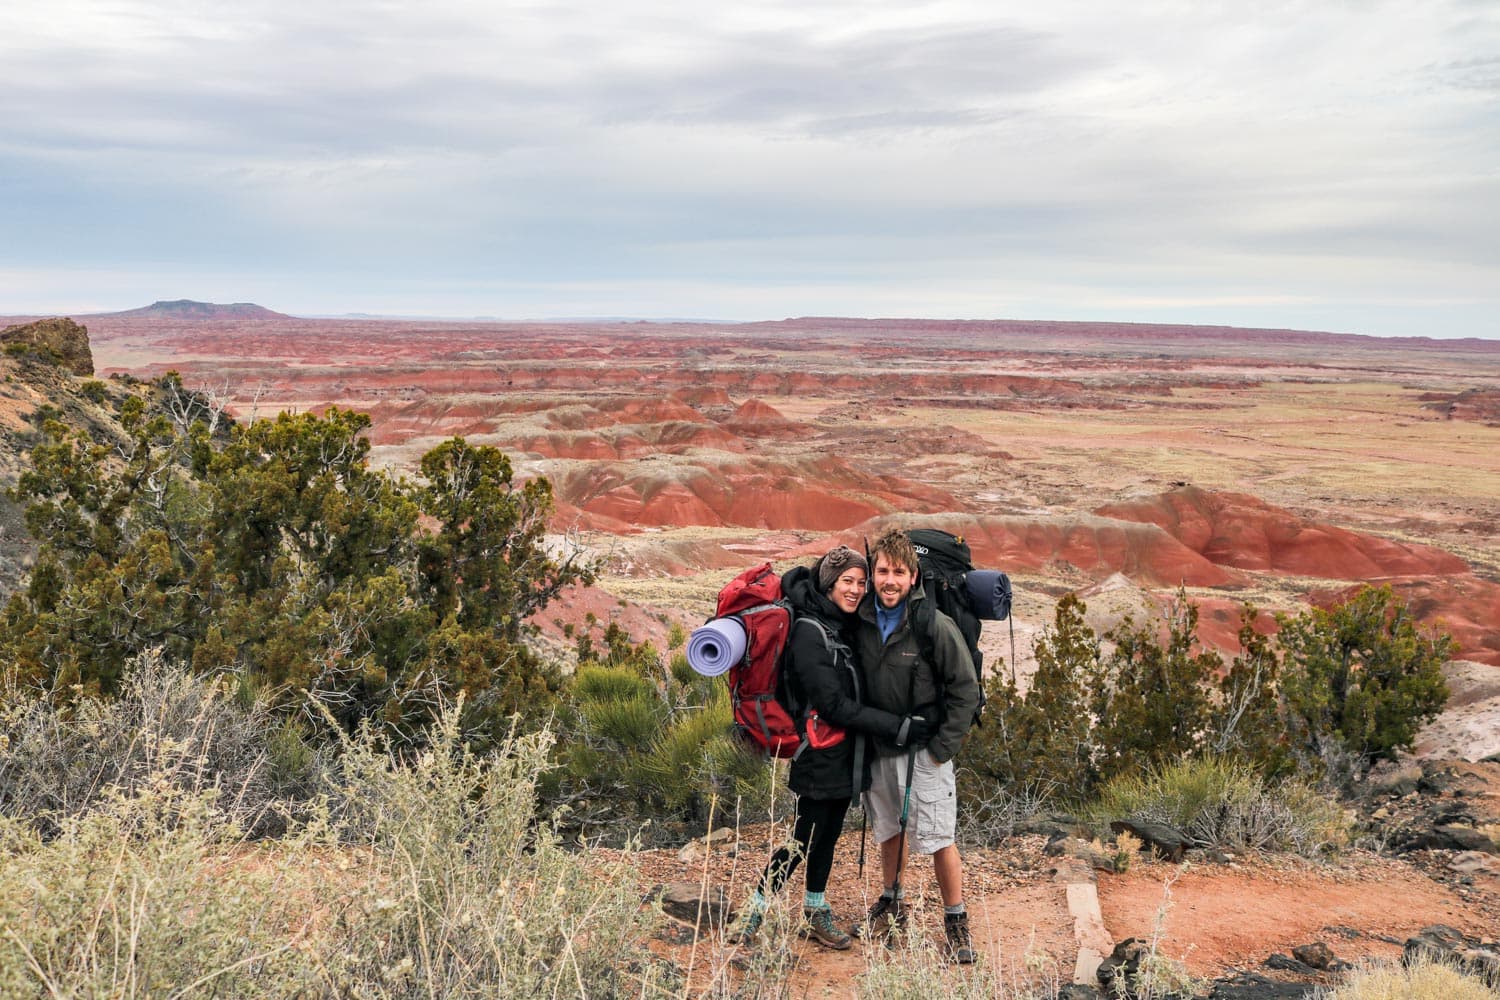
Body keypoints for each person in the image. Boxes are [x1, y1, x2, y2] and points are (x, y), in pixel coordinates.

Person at [731, 544, 932, 949]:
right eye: (847, 581)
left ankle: (815, 909)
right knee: (802, 838)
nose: (856, 589)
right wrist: (898, 727)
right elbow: (833, 704)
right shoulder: (809, 631)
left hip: (845, 756)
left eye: (861, 582)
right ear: (828, 583)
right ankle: (752, 911)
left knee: (827, 837)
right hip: (819, 755)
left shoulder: (840, 625)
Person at [855, 525, 981, 963]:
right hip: (881, 747)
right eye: (883, 571)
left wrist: (941, 749)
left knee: (938, 836)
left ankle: (956, 920)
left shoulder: (933, 624)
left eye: (899, 572)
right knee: (889, 830)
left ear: (914, 577)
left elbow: (966, 688)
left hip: (926, 750)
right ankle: (892, 905)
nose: (890, 580)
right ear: (873, 573)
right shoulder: (863, 620)